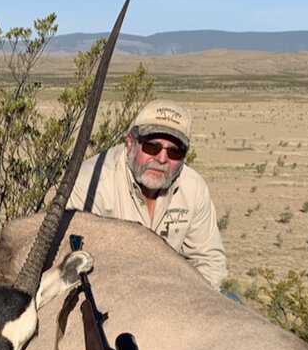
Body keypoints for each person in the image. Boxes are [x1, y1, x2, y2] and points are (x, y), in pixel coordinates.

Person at [63, 98, 228, 290]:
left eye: (174, 152)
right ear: (130, 142)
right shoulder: (91, 182)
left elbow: (211, 263)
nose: (162, 158)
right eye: (152, 146)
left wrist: (183, 300)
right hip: (110, 295)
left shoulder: (193, 187)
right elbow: (75, 262)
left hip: (173, 296)